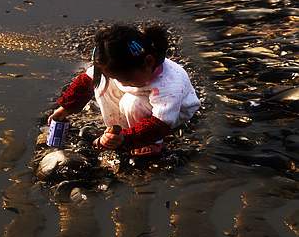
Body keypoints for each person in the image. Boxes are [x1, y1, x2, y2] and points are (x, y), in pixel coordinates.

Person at [48, 24, 201, 156]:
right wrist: (65, 108)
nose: (121, 82)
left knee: (131, 104)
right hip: (141, 95)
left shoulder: (170, 84)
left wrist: (128, 139)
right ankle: (116, 131)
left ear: (149, 62)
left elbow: (160, 124)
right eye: (118, 78)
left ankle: (150, 143)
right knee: (101, 82)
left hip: (174, 113)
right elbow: (87, 81)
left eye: (126, 79)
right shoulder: (127, 69)